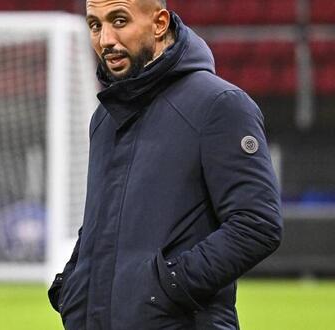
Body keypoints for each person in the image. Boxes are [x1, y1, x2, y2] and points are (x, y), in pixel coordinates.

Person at [48, 0, 283, 329]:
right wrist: (73, 286)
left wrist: (168, 287)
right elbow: (99, 224)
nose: (105, 40)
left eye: (119, 21)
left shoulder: (220, 105)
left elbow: (257, 224)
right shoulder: (104, 118)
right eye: (95, 25)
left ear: (159, 23)